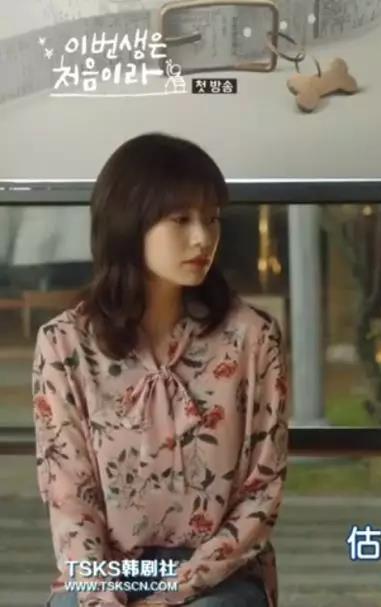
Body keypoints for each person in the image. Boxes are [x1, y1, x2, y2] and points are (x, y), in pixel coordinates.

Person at [33, 133, 289, 607]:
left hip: (217, 577)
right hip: (104, 572)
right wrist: (101, 598)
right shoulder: (64, 344)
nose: (203, 238)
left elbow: (261, 495)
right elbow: (70, 499)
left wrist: (169, 596)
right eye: (180, 220)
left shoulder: (253, 339)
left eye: (211, 219)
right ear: (129, 224)